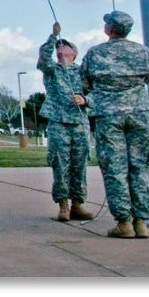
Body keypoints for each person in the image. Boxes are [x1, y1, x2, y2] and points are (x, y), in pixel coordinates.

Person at [80, 10, 149, 239]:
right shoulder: (142, 51)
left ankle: (124, 222)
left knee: (115, 168)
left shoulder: (96, 54)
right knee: (139, 167)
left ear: (110, 29)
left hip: (109, 115)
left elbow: (84, 82)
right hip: (139, 114)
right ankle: (141, 221)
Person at [37, 22, 93, 222]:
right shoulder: (53, 70)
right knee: (60, 163)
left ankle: (78, 204)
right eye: (59, 45)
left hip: (79, 123)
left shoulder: (83, 72)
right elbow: (43, 59)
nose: (61, 46)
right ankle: (63, 206)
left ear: (73, 53)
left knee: (79, 164)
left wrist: (85, 100)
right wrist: (53, 37)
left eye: (65, 44)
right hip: (58, 123)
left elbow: (96, 94)